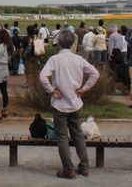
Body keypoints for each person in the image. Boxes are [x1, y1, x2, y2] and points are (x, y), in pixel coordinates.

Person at [39, 29, 99, 179]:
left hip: (60, 103)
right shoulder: (78, 59)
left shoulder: (54, 59)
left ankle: (68, 169)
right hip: (75, 102)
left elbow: (43, 77)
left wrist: (51, 90)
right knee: (77, 134)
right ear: (73, 43)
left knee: (62, 137)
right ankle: (84, 166)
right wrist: (84, 89)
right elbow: (95, 74)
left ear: (58, 43)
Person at [0, 29, 14, 122]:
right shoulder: (11, 46)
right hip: (5, 68)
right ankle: (5, 109)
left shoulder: (1, 46)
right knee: (4, 90)